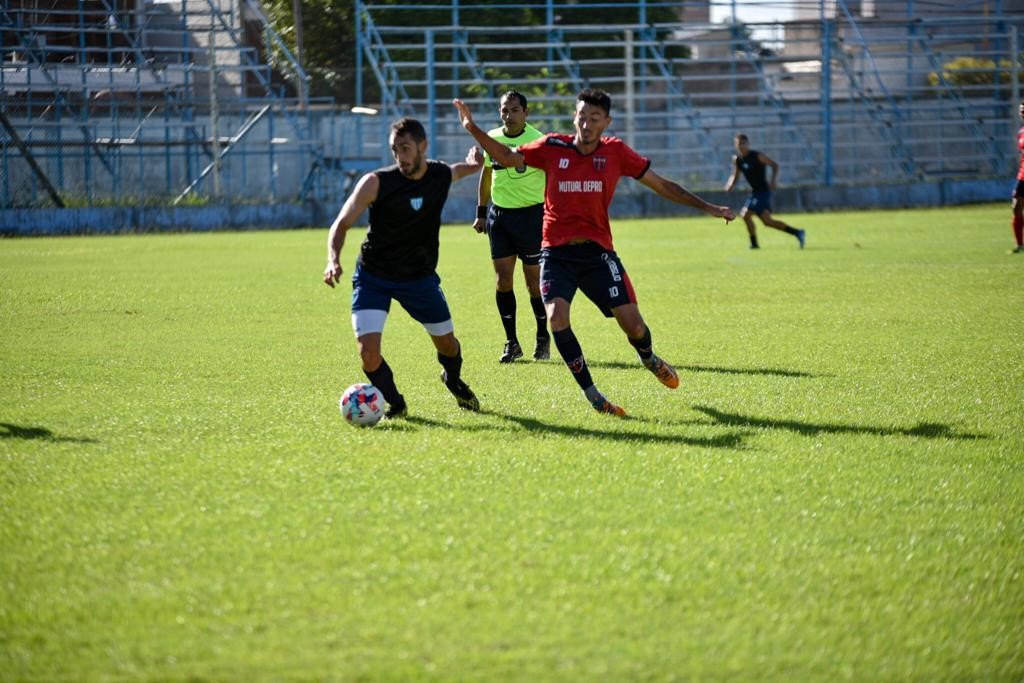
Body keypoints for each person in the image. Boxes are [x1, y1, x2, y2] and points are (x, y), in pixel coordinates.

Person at [452, 89, 735, 417]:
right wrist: (472, 128)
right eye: (582, 116)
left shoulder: (616, 153)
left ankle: (649, 357)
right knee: (557, 318)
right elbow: (507, 157)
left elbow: (662, 185)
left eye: (594, 118)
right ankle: (595, 397)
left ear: (607, 122)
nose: (586, 124)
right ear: (575, 117)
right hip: (556, 255)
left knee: (635, 327)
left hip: (598, 255)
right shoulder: (551, 147)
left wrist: (709, 207)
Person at [323, 117, 482, 418]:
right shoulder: (376, 182)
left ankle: (454, 379)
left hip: (419, 279)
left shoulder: (437, 175)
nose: (401, 157)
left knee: (448, 345)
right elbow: (341, 223)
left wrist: (474, 165)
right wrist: (333, 259)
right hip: (374, 276)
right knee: (368, 353)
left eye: (406, 148)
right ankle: (395, 403)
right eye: (395, 150)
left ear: (423, 146)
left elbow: (456, 172)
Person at [474, 90, 551, 363]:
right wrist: (481, 212)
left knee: (533, 284)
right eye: (504, 110)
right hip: (500, 218)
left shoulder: (539, 141)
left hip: (532, 217)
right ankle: (512, 342)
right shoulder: (492, 139)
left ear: (526, 113)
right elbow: (486, 174)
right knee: (503, 281)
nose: (509, 115)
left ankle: (543, 337)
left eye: (515, 110)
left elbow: (552, 177)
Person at [724, 133, 805, 250]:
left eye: (743, 143)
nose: (741, 146)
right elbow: (735, 175)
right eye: (738, 144)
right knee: (767, 222)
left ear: (748, 144)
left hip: (763, 192)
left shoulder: (757, 156)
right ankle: (798, 233)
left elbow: (774, 165)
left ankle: (754, 244)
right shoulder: (738, 160)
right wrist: (730, 184)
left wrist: (773, 181)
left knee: (745, 214)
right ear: (735, 145)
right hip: (754, 193)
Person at [1011, 101, 1024, 253]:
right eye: (1021, 111)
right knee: (1016, 207)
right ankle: (1020, 245)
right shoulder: (1021, 132)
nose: (1022, 113)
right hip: (1022, 174)